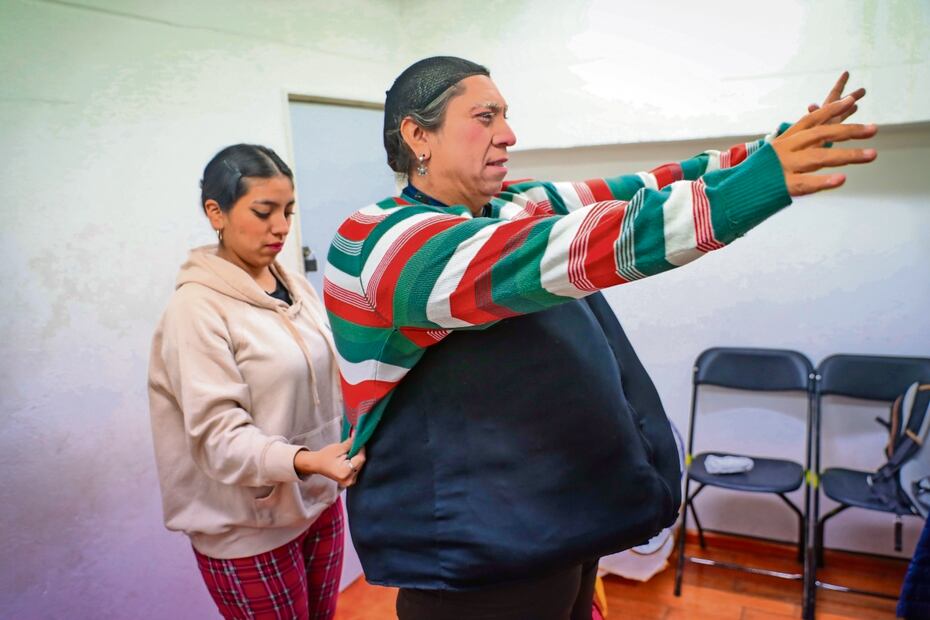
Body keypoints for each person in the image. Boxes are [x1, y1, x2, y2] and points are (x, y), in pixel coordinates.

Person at [324, 57, 877, 619]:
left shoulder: (508, 205)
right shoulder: (380, 242)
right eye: (485, 117)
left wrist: (771, 150)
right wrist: (754, 188)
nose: (509, 135)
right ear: (419, 135)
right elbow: (576, 248)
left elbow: (652, 186)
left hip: (549, 519)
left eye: (505, 116)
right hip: (474, 550)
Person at [148, 144, 365, 620]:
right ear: (215, 213)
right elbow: (218, 438)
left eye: (287, 211)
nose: (282, 226)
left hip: (316, 502)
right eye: (263, 211)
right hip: (248, 528)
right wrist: (306, 461)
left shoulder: (293, 285)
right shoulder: (196, 310)